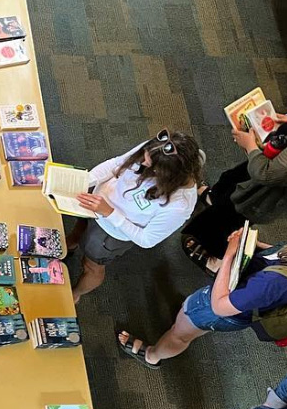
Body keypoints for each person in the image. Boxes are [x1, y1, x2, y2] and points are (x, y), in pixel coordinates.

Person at [117, 233, 287, 370]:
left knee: (180, 335)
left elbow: (219, 307)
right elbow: (279, 254)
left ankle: (151, 356)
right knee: (190, 320)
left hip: (222, 309)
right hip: (243, 300)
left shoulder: (272, 283)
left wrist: (229, 254)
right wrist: (254, 243)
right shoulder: (275, 280)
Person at [69, 130, 202, 303]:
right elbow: (117, 163)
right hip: (96, 202)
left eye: (150, 166)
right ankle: (71, 243)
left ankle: (76, 294)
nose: (143, 161)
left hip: (112, 232)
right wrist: (88, 180)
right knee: (80, 227)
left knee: (91, 266)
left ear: (168, 175)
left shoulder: (179, 206)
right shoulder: (157, 149)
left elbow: (146, 240)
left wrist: (109, 212)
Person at [185, 114, 287, 267]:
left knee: (231, 214)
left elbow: (265, 174)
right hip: (268, 162)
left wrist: (250, 145)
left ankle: (214, 252)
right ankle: (213, 197)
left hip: (264, 193)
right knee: (231, 179)